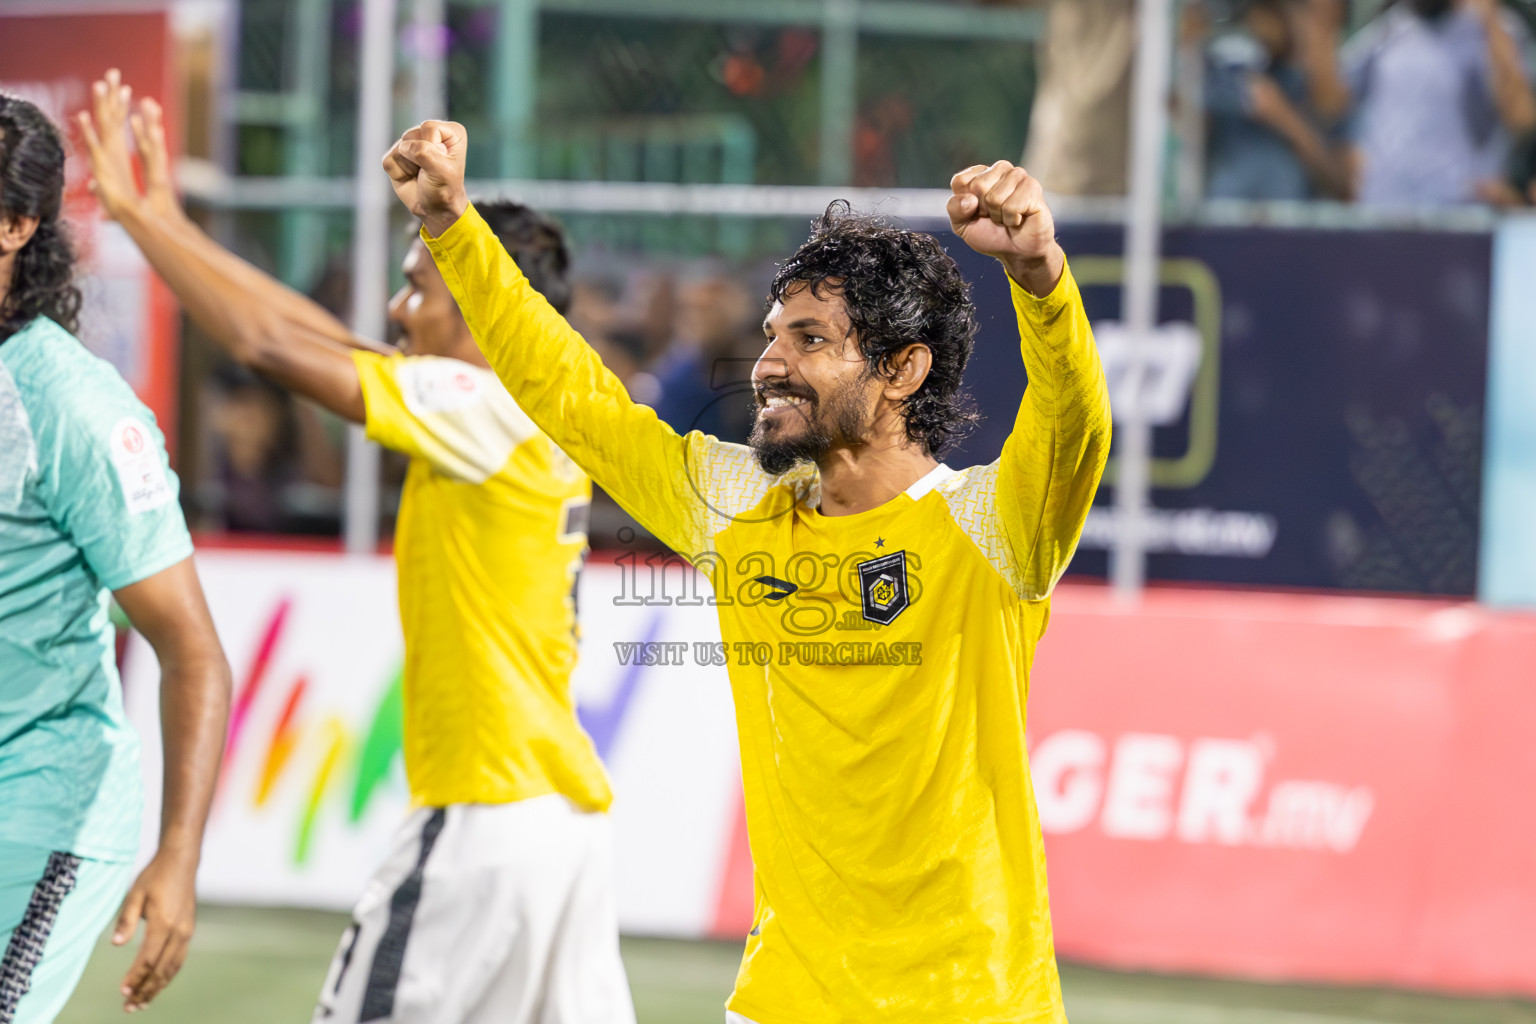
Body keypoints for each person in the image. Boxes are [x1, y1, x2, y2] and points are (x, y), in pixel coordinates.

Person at [386, 119, 1112, 1023]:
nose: (767, 364)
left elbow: (1073, 424)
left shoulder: (996, 526)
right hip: (782, 1000)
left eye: (810, 341)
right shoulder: (736, 506)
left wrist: (1039, 279)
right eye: (773, 336)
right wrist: (456, 230)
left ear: (903, 371)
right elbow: (573, 398)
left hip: (969, 1001)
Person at [78, 72, 633, 1024]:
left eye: (417, 286)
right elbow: (315, 334)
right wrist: (164, 220)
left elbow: (265, 345)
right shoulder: (522, 406)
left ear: (475, 301)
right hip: (562, 832)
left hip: (483, 824)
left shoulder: (478, 403)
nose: (394, 309)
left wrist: (138, 216)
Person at [0, 93, 230, 1021]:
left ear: (15, 226)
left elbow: (192, 652)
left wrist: (178, 858)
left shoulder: (72, 409)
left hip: (44, 803)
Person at [1344, 0, 1536, 205]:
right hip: (1385, 209)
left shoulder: (1497, 27)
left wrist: (1489, 19)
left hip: (1462, 213)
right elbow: (1333, 103)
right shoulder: (1389, 27)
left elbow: (1522, 119)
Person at [1203, 0, 1352, 199]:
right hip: (1221, 221)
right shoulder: (1232, 74)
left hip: (1287, 225)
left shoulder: (1330, 94)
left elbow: (1344, 188)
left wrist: (1284, 118)